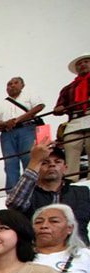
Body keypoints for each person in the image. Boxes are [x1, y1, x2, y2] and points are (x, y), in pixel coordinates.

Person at [6, 143, 90, 243]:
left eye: (58, 162)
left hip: (78, 253)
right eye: (45, 162)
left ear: (65, 168)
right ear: (37, 168)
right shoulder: (28, 195)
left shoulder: (82, 193)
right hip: (39, 253)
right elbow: (14, 204)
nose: (52, 164)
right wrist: (34, 160)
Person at [0, 77, 45, 192]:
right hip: (7, 133)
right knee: (10, 162)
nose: (12, 86)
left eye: (16, 83)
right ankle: (12, 190)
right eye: (9, 84)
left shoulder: (29, 95)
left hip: (27, 128)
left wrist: (18, 119)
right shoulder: (0, 103)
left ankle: (32, 187)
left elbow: (39, 106)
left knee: (28, 158)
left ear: (22, 85)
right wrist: (6, 123)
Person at [53, 53, 90, 181]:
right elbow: (58, 107)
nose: (83, 65)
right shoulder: (68, 88)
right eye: (79, 64)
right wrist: (59, 109)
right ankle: (71, 180)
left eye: (86, 61)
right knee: (70, 147)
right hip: (74, 120)